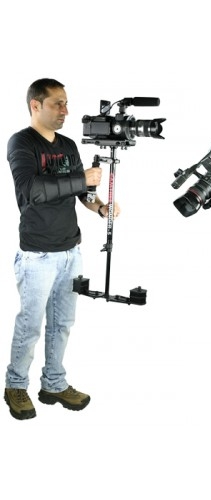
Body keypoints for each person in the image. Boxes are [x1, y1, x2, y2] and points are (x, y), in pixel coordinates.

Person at [4, 78, 120, 420]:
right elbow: (31, 190)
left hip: (71, 250)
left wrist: (99, 207)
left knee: (62, 323)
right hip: (37, 254)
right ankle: (15, 386)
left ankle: (53, 383)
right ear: (35, 105)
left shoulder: (68, 145)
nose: (65, 111)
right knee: (30, 324)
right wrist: (83, 179)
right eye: (57, 103)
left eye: (66, 103)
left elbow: (82, 193)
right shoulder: (21, 142)